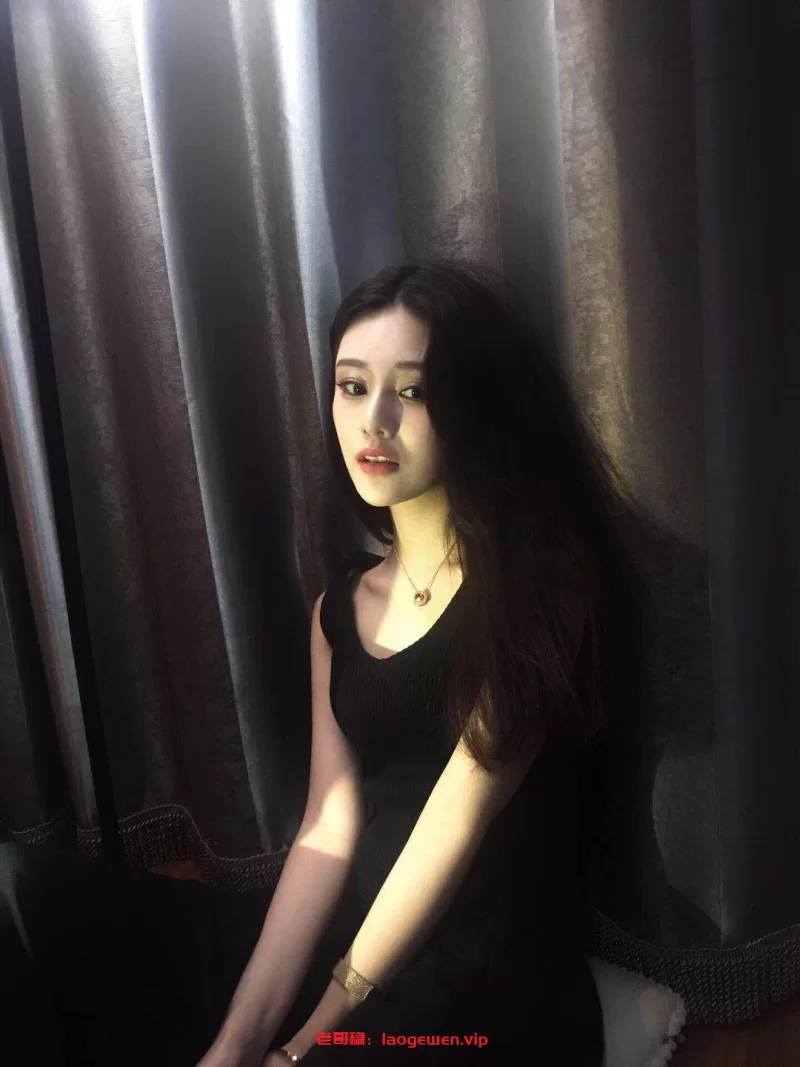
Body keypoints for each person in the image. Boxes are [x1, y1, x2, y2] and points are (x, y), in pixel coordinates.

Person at [1, 259, 645, 1066]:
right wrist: (237, 1041)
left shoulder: (539, 590)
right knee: (19, 889)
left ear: (474, 404)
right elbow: (328, 827)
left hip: (483, 982)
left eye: (412, 390)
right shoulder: (338, 609)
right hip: (349, 927)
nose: (375, 418)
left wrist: (311, 1037)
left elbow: (453, 825)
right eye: (352, 385)